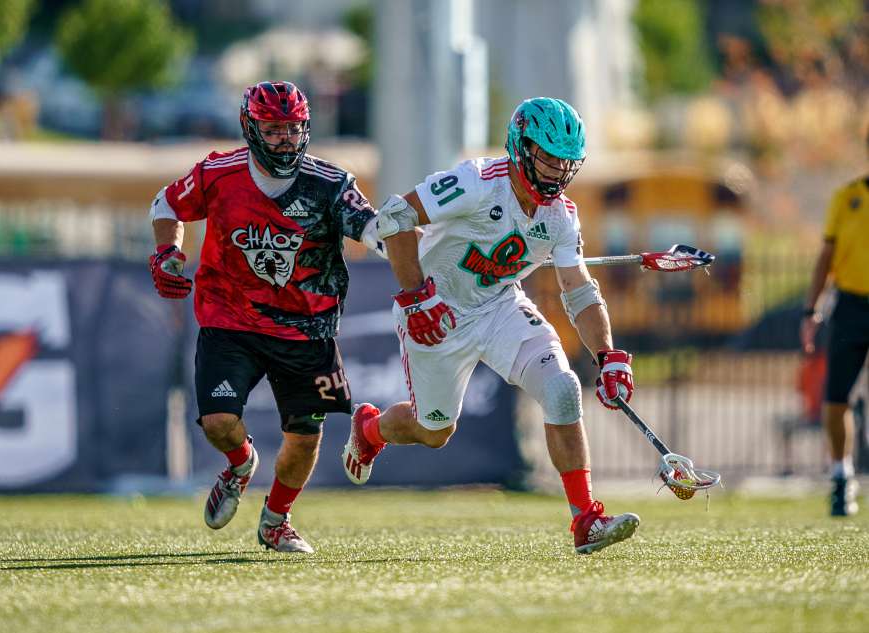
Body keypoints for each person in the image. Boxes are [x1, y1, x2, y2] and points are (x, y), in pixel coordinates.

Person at [342, 97, 640, 554]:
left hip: (499, 306)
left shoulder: (561, 216)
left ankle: (585, 520)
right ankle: (370, 430)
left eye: (566, 162)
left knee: (562, 388)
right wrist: (417, 297)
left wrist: (609, 356)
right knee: (434, 431)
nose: (557, 171)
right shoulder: (476, 182)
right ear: (521, 148)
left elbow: (578, 290)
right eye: (548, 157)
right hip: (437, 309)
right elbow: (395, 216)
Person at [149, 80, 383, 552]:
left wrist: (406, 237)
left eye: (294, 129)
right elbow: (167, 203)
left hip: (307, 327)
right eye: (274, 129)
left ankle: (276, 520)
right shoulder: (219, 173)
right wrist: (166, 253)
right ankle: (240, 463)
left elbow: (373, 228)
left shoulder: (331, 184)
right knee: (217, 422)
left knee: (303, 436)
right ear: (249, 127)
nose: (286, 139)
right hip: (229, 317)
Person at [800, 127, 869, 517]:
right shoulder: (848, 198)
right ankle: (842, 475)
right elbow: (826, 257)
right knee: (836, 397)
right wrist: (811, 310)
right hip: (851, 306)